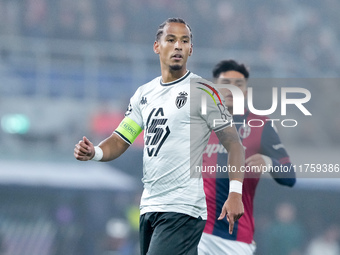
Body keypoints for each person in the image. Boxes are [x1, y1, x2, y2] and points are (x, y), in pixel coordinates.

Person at [74, 19, 245, 255]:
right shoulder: (144, 94)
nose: (178, 46)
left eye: (184, 41)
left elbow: (234, 145)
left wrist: (235, 193)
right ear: (157, 46)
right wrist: (96, 152)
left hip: (183, 208)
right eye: (171, 40)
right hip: (150, 207)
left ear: (190, 50)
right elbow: (121, 139)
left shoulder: (203, 91)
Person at [198, 59, 296, 255]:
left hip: (235, 239)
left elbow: (289, 176)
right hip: (196, 231)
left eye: (238, 84)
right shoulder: (197, 122)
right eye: (226, 83)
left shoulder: (261, 126)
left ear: (246, 91)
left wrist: (268, 162)